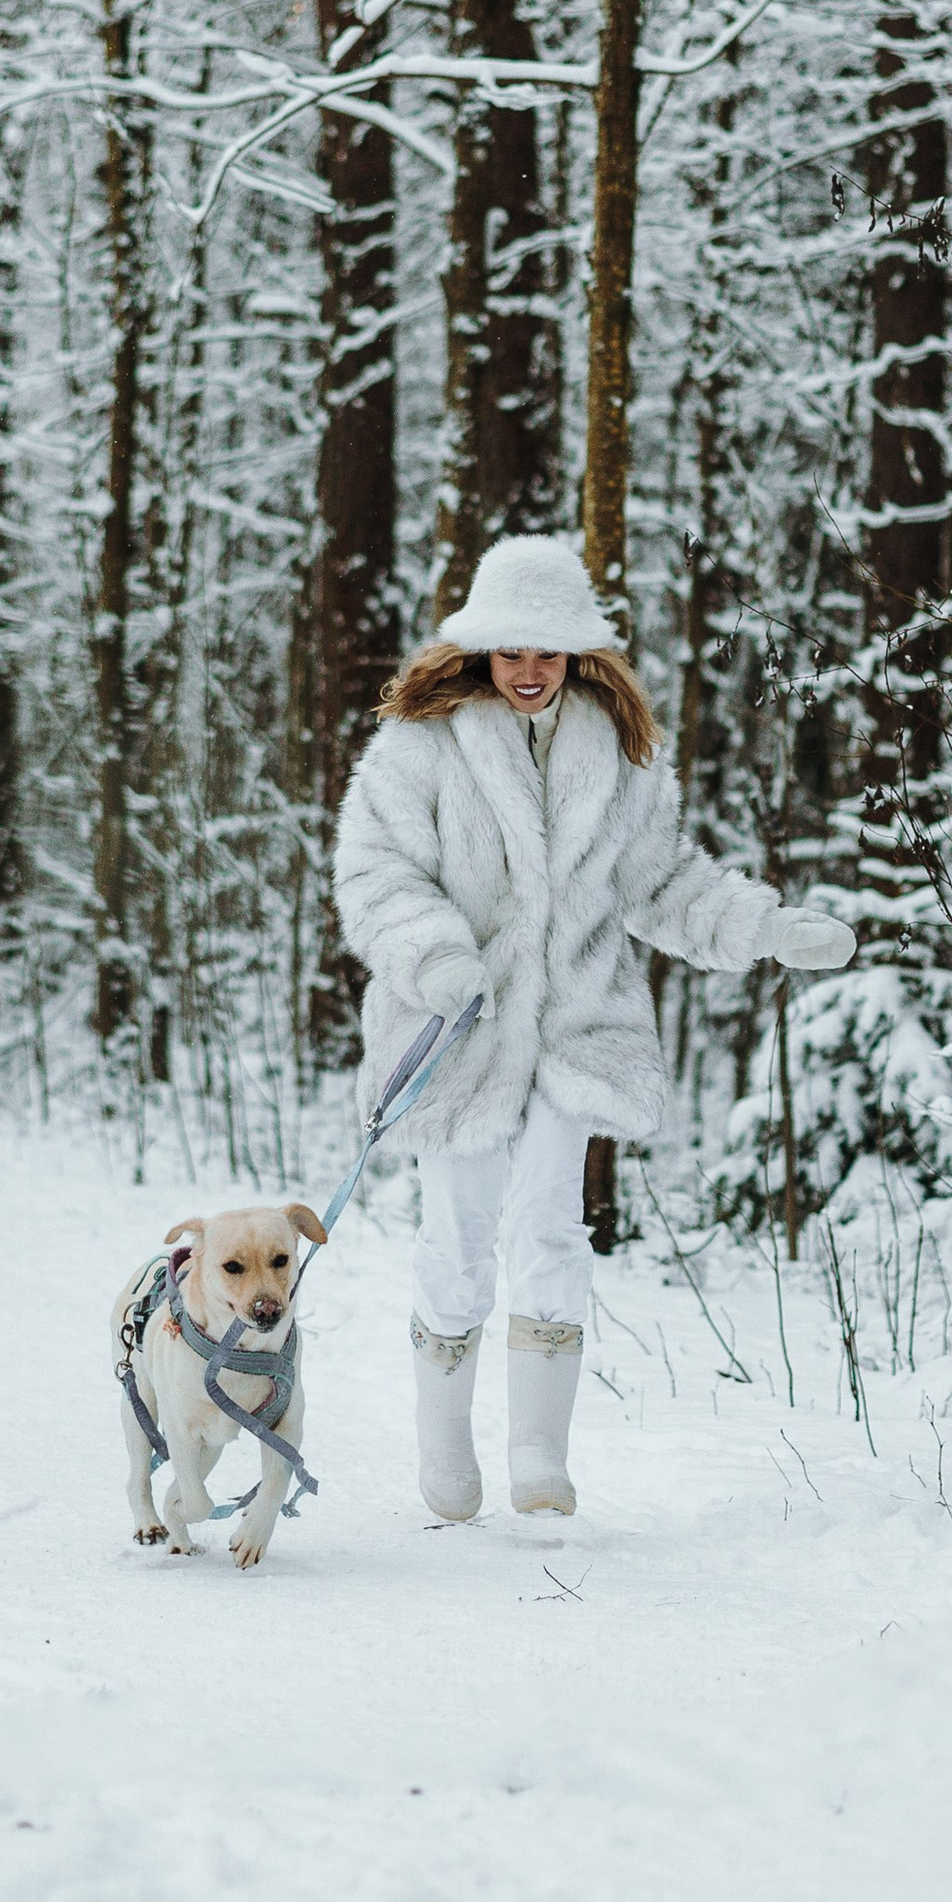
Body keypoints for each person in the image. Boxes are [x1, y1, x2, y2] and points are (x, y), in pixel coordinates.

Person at [333, 532, 854, 1522]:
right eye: (511, 651)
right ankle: (445, 1449)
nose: (529, 672)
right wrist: (436, 951)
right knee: (455, 1242)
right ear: (479, 651)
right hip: (455, 1035)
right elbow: (374, 872)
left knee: (551, 1231)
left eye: (550, 652)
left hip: (574, 1033)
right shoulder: (418, 746)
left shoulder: (617, 755)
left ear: (580, 655)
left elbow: (662, 884)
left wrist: (768, 929)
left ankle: (538, 1455)